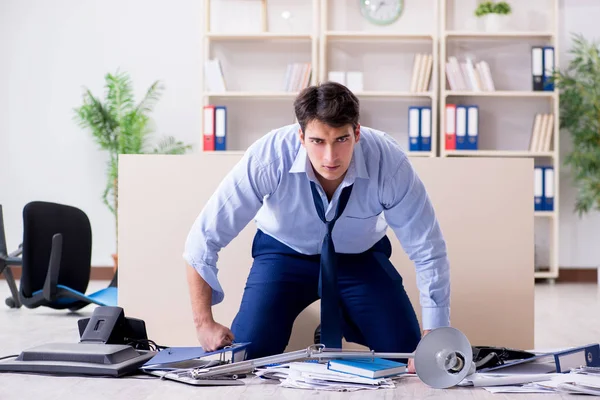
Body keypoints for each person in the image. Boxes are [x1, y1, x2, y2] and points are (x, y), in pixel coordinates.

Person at [183, 81, 450, 373]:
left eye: (341, 140)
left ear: (357, 132)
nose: (330, 158)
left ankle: (338, 320)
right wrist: (203, 323)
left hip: (358, 256)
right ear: (301, 136)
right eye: (318, 141)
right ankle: (330, 319)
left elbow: (428, 249)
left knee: (407, 356)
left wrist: (433, 332)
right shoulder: (269, 157)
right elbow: (203, 238)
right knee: (247, 358)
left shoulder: (388, 163)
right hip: (284, 253)